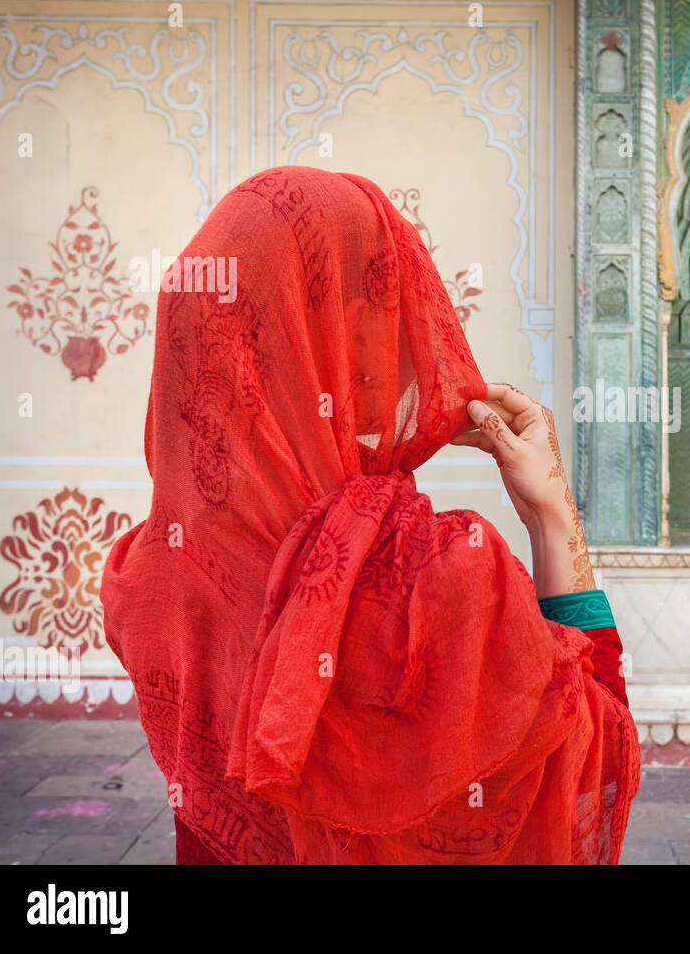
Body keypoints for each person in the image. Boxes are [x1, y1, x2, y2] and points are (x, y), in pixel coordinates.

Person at [101, 166, 640, 864]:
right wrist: (550, 511)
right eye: (378, 305)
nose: (398, 340)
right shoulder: (436, 581)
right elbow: (593, 762)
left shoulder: (149, 573)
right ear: (331, 335)